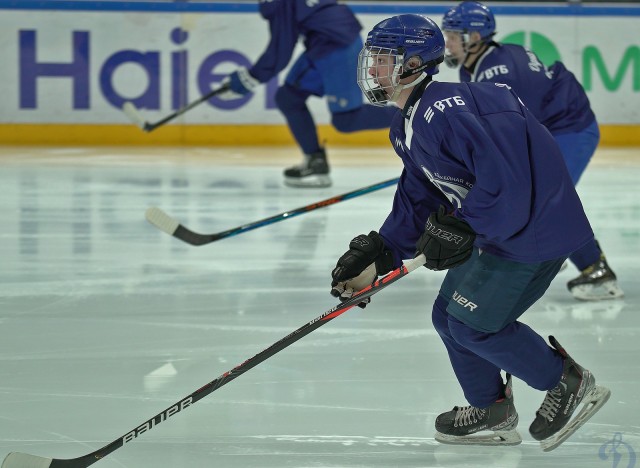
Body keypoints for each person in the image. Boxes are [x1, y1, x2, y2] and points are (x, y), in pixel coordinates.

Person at [329, 14, 611, 449]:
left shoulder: (446, 110)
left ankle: (566, 382)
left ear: (412, 64)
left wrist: (464, 225)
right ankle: (490, 407)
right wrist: (383, 251)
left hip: (530, 233)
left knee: (475, 327)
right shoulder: (407, 123)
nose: (371, 69)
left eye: (382, 59)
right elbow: (420, 195)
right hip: (501, 229)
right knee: (447, 317)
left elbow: (507, 179)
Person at [440, 1, 623, 301]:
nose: (447, 42)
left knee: (544, 199)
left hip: (569, 129)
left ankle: (596, 269)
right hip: (549, 128)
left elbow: (512, 133)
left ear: (473, 37)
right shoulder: (478, 65)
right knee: (536, 197)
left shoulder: (500, 71)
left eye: (452, 35)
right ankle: (557, 254)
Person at [220, 0, 397, 188]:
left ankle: (410, 113)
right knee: (288, 98)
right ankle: (315, 162)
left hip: (338, 44)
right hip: (325, 42)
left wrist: (248, 79)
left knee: (346, 120)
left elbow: (280, 49)